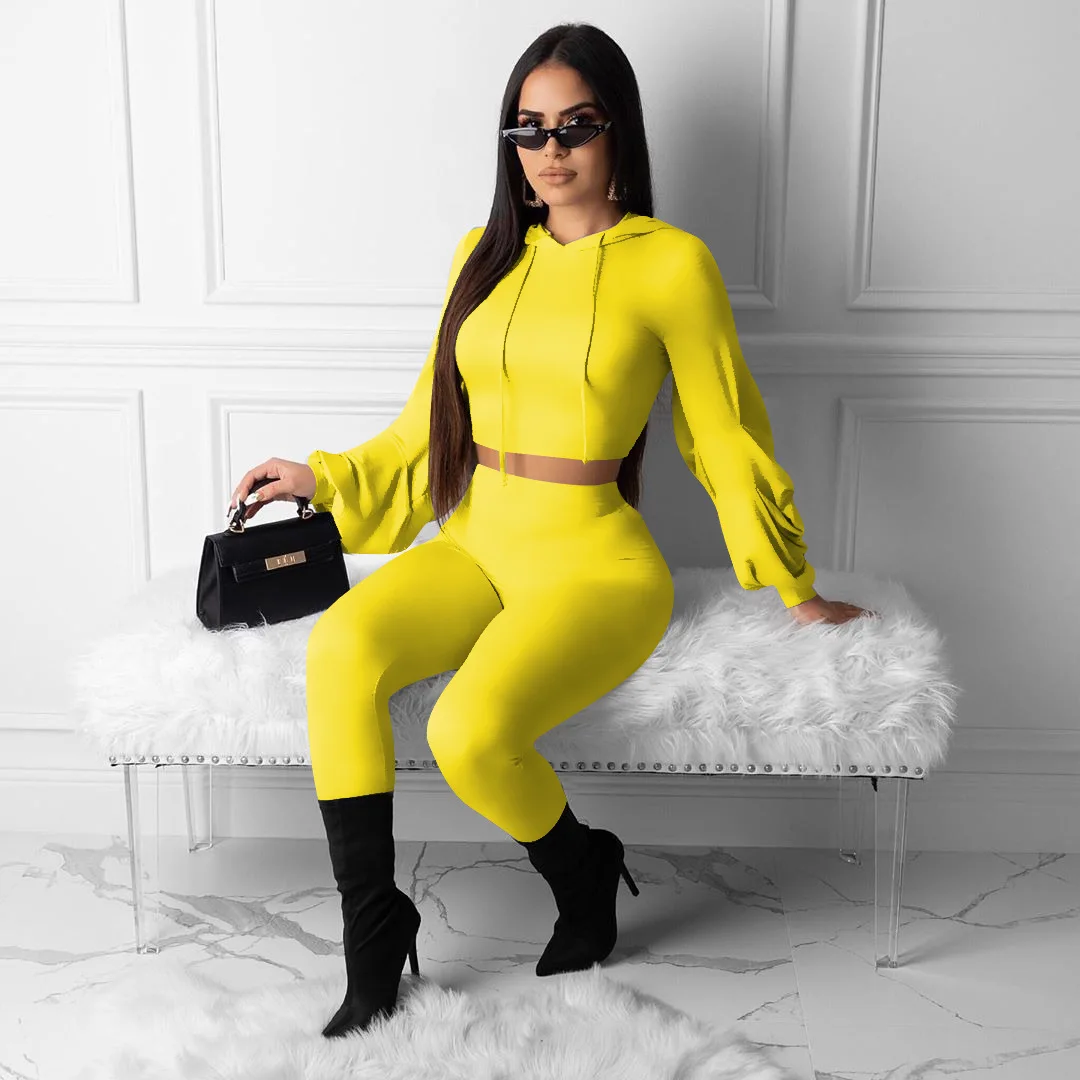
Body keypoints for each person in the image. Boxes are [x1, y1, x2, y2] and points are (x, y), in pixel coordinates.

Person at [228, 23, 875, 1040]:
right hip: (476, 542)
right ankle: (373, 929)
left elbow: (725, 434)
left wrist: (796, 588)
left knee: (468, 733)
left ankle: (582, 867)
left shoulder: (671, 265)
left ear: (620, 133)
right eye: (528, 129)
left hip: (596, 566)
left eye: (576, 125)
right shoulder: (482, 256)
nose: (551, 149)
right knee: (343, 648)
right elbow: (425, 424)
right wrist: (324, 477)